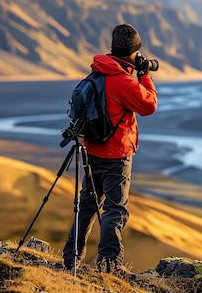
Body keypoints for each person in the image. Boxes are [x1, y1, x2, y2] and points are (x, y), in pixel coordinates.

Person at [62, 23, 158, 278]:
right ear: (133, 53)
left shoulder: (98, 73)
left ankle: (71, 257)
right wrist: (145, 75)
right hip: (116, 156)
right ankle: (109, 264)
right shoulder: (123, 82)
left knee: (87, 205)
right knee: (115, 209)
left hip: (92, 152)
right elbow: (149, 105)